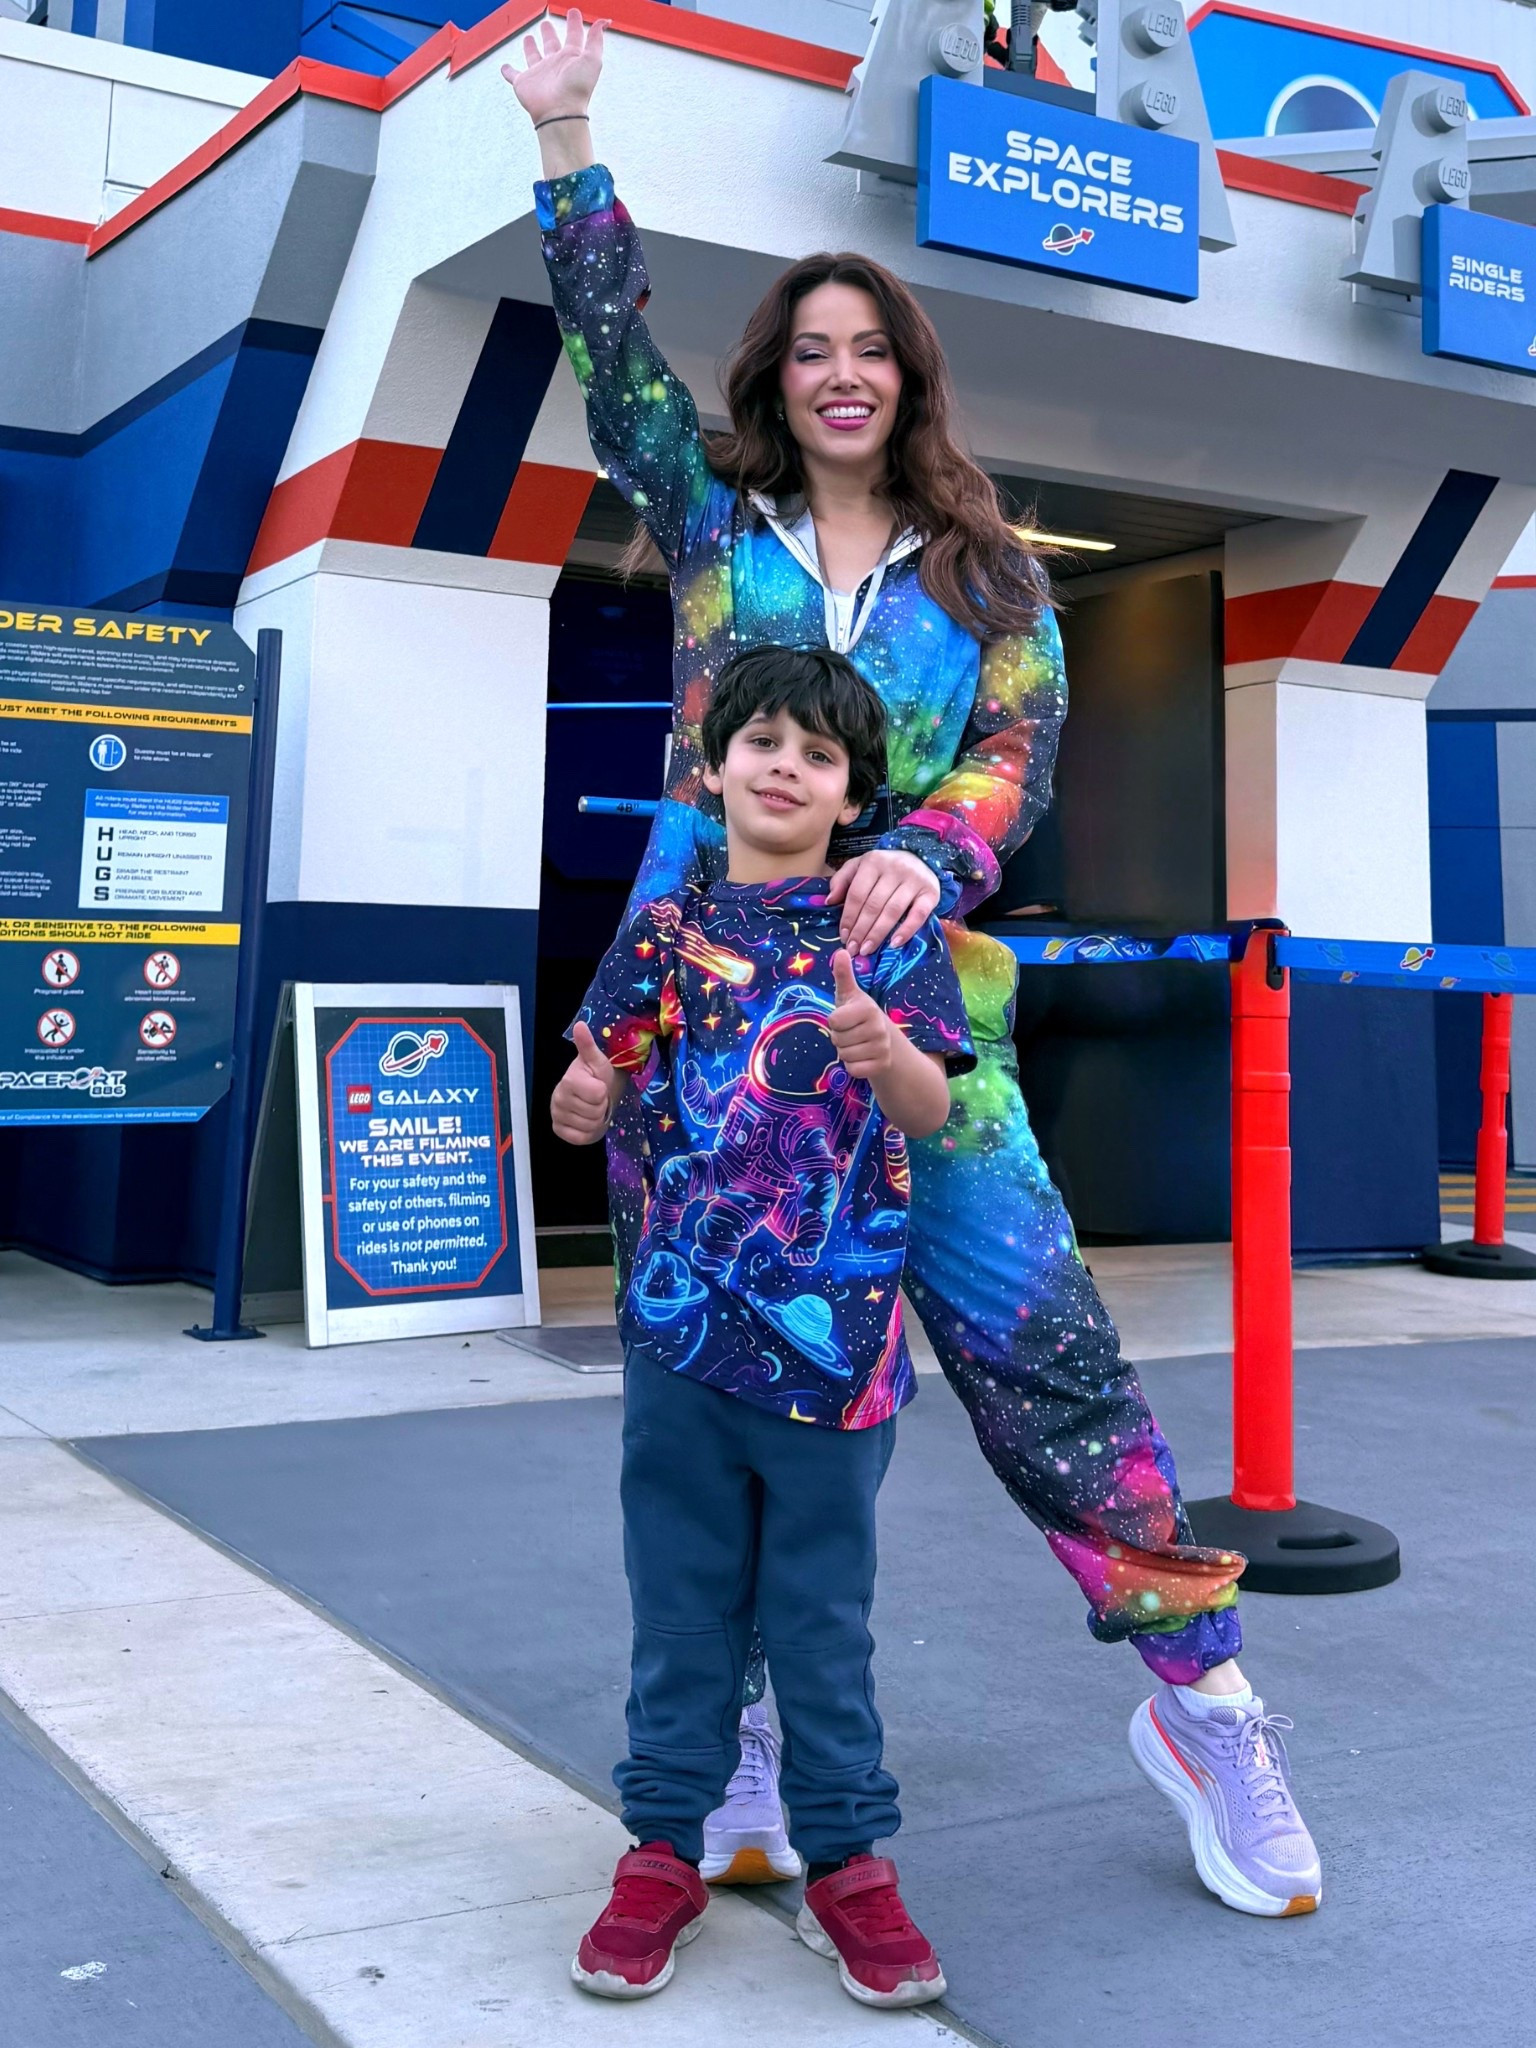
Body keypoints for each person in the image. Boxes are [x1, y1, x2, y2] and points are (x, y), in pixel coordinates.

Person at [508, 12, 1321, 1923]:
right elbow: (611, 365)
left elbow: (1017, 763)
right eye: (813, 351)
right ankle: (761, 1745)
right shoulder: (710, 534)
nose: (844, 375)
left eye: (873, 351)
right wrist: (566, 135)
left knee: (1052, 1363)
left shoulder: (993, 580)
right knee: (735, 1396)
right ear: (776, 384)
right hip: (702, 1046)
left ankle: (1202, 1701)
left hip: (918, 1040)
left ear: (912, 379)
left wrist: (918, 847)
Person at [552, 644, 973, 2005]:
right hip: (679, 1343)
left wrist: (884, 1051)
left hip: (838, 1357)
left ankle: (849, 1859)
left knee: (819, 1619)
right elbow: (596, 1073)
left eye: (820, 754)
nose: (786, 765)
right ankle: (661, 1849)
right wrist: (580, 1101)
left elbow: (929, 1112)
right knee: (679, 1612)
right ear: (717, 766)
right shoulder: (662, 930)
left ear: (853, 797)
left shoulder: (891, 940)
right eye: (765, 742)